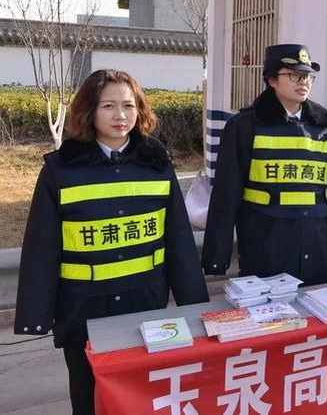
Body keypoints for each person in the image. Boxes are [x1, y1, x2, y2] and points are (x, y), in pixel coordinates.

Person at [14, 69, 208, 415]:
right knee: (89, 393)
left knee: (143, 391)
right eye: (108, 106)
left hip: (144, 300)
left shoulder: (156, 164)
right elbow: (41, 247)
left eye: (129, 105)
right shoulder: (61, 169)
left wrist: (194, 303)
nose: (121, 115)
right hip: (82, 305)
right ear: (89, 111)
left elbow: (178, 238)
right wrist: (36, 313)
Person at [202, 44, 327, 284]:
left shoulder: (324, 128)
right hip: (265, 242)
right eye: (294, 75)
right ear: (272, 80)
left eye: (307, 76)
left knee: (317, 303)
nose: (303, 82)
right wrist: (217, 257)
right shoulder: (245, 126)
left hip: (316, 242)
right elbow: (226, 195)